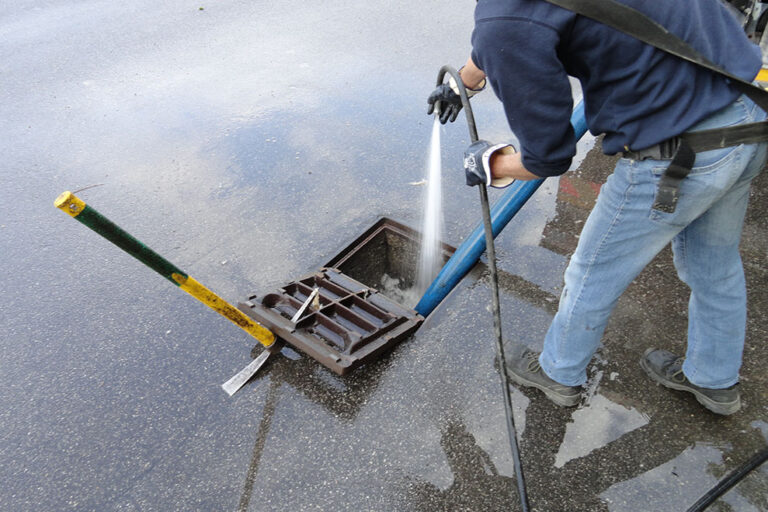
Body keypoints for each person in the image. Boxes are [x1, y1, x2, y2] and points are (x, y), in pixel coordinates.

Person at [427, 0, 767, 415]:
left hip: (678, 156)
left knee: (593, 271)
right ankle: (714, 381)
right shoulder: (510, 18)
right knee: (715, 264)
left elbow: (546, 158)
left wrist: (491, 162)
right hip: (748, 116)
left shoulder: (505, 21)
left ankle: (558, 373)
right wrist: (464, 82)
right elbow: (522, 24)